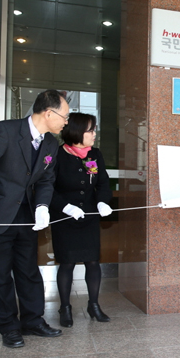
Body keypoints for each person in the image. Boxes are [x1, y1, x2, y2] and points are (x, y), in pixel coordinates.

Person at [0, 89, 69, 348]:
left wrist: (42, 206)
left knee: (28, 271)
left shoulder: (50, 144)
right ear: (49, 113)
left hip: (25, 216)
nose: (66, 122)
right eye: (64, 116)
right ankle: (9, 326)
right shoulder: (5, 131)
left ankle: (33, 320)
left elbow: (46, 179)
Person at [50, 113, 113, 327]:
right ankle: (65, 307)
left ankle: (93, 305)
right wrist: (65, 207)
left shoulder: (94, 154)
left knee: (93, 261)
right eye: (90, 130)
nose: (94, 134)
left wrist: (103, 202)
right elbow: (47, 187)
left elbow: (103, 182)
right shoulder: (58, 155)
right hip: (65, 218)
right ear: (77, 131)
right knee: (66, 263)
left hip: (89, 217)